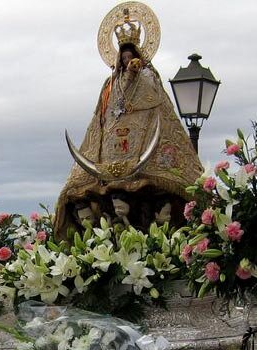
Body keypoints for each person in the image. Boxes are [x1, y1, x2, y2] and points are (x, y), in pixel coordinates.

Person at [53, 6, 204, 236]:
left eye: (130, 56)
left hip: (144, 144)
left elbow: (154, 101)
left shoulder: (149, 77)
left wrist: (138, 75)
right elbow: (101, 117)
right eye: (123, 58)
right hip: (112, 148)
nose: (127, 61)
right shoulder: (110, 84)